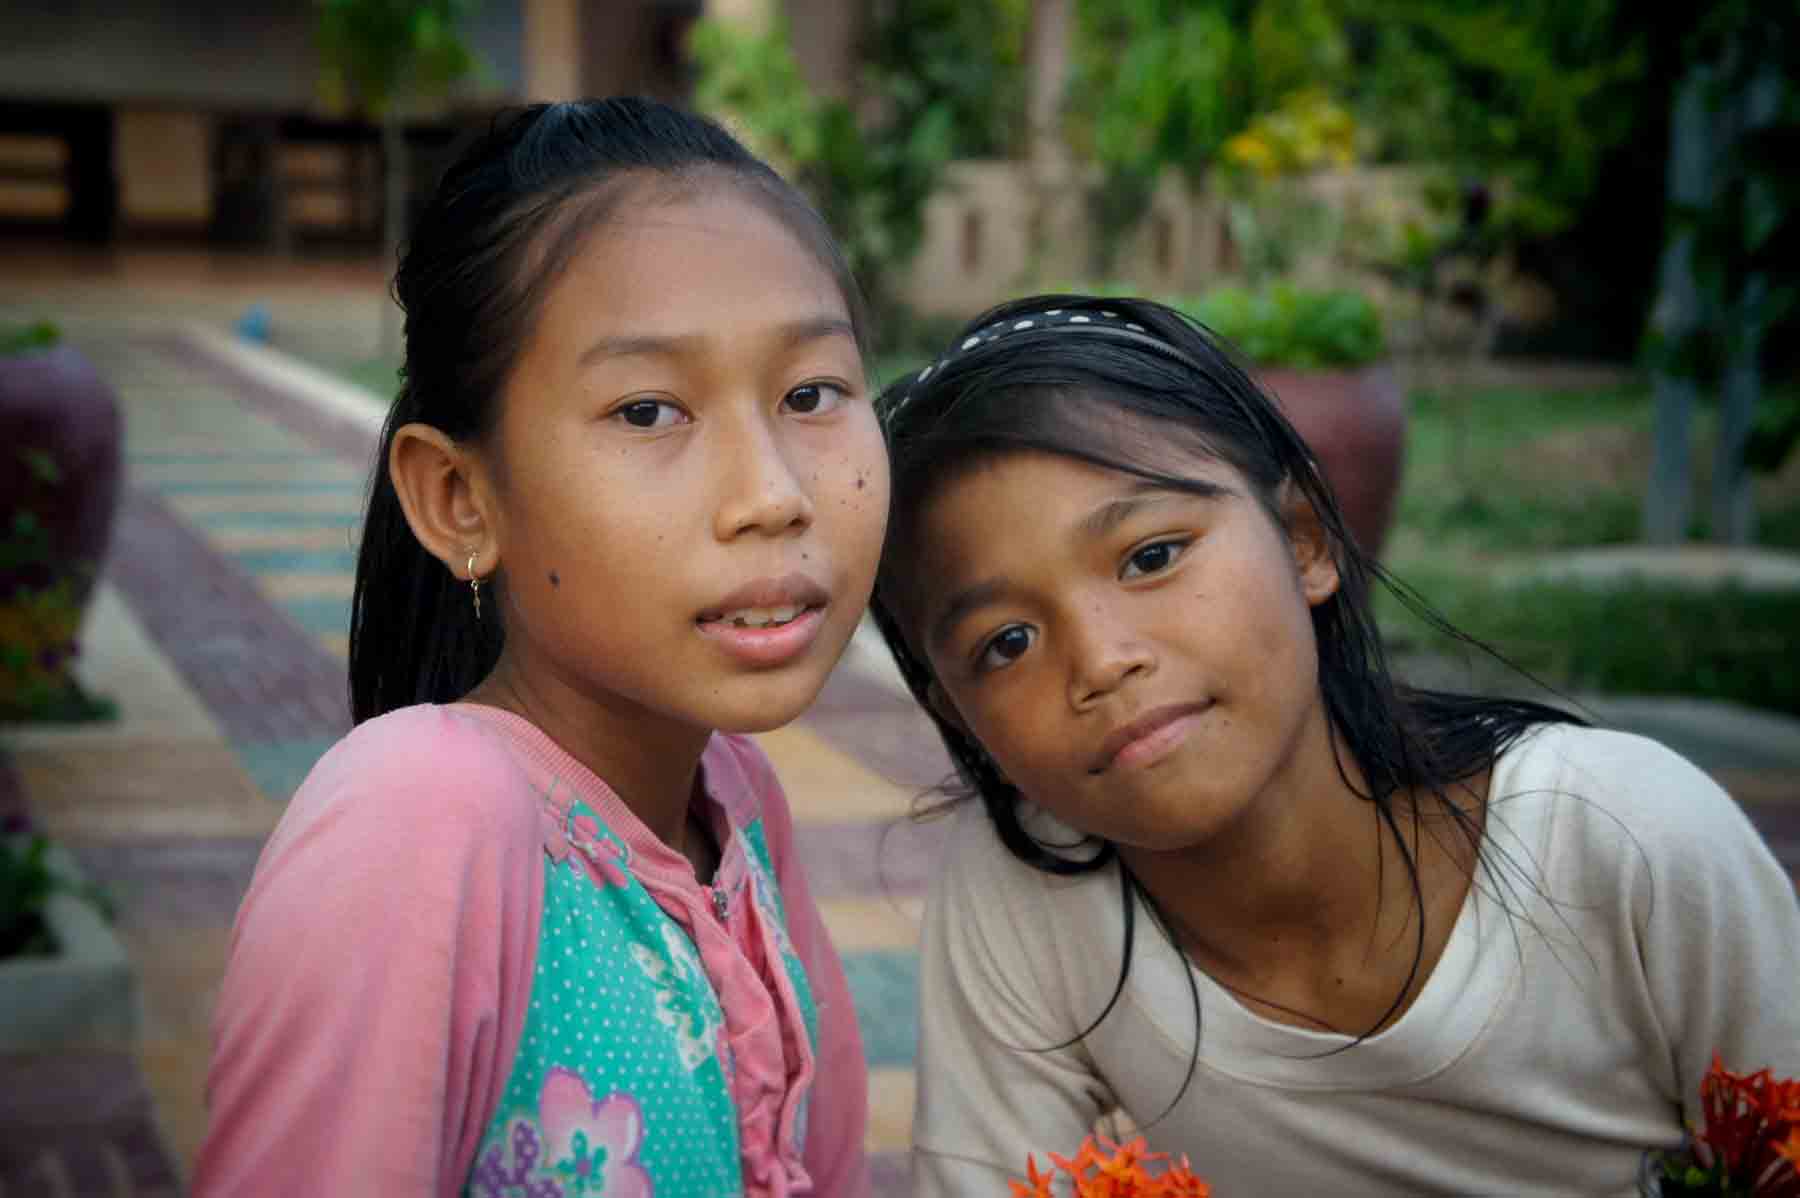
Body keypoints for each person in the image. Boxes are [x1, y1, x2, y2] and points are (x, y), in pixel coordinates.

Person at [869, 294, 1800, 1195]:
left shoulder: (1623, 840)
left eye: (1152, 556)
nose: (1102, 662)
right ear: (960, 717)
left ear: (1307, 538)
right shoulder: (1025, 897)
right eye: (1006, 643)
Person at [194, 97, 889, 1198]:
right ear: (461, 497)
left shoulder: (739, 804)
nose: (774, 493)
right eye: (650, 411)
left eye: (811, 393)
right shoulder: (420, 813)